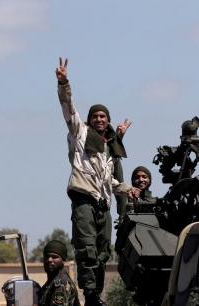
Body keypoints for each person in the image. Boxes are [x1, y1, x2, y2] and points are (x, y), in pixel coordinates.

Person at [56, 57, 140, 305]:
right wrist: (64, 83)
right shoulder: (80, 134)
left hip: (103, 204)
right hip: (84, 199)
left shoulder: (107, 150)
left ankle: (96, 294)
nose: (100, 119)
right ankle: (90, 293)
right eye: (96, 116)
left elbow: (111, 182)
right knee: (87, 248)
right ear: (90, 120)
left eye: (104, 116)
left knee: (104, 252)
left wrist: (128, 189)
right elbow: (68, 107)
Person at [38, 240, 79, 306]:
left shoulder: (60, 284)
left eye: (54, 257)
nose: (49, 260)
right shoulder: (51, 282)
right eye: (47, 256)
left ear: (62, 260)